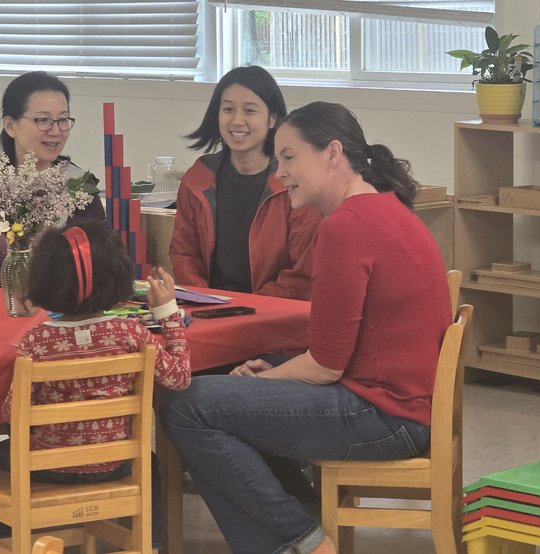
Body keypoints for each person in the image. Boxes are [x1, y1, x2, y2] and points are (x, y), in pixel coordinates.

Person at [160, 101, 451, 554]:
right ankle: (294, 533)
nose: (280, 173)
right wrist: (271, 373)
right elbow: (342, 342)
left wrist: (268, 377)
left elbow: (326, 366)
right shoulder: (388, 209)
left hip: (382, 415)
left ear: (332, 153)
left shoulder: (344, 228)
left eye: (290, 158)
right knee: (232, 394)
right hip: (401, 405)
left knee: (186, 402)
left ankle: (302, 539)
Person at [0, 221, 190, 546]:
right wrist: (169, 313)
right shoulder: (132, 334)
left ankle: (25, 544)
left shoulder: (37, 341)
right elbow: (179, 377)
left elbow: (11, 414)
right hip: (114, 464)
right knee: (150, 463)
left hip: (47, 467)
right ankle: (149, 544)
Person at [0, 71, 105, 293]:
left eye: (63, 120)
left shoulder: (79, 189)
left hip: (62, 317)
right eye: (43, 120)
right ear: (10, 125)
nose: (56, 131)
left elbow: (95, 269)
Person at [170, 66, 319, 300]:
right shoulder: (197, 178)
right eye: (228, 109)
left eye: (250, 111)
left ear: (273, 118)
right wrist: (206, 301)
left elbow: (302, 273)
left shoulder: (295, 183)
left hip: (273, 315)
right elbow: (184, 254)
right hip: (208, 312)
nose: (237, 121)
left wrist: (248, 308)